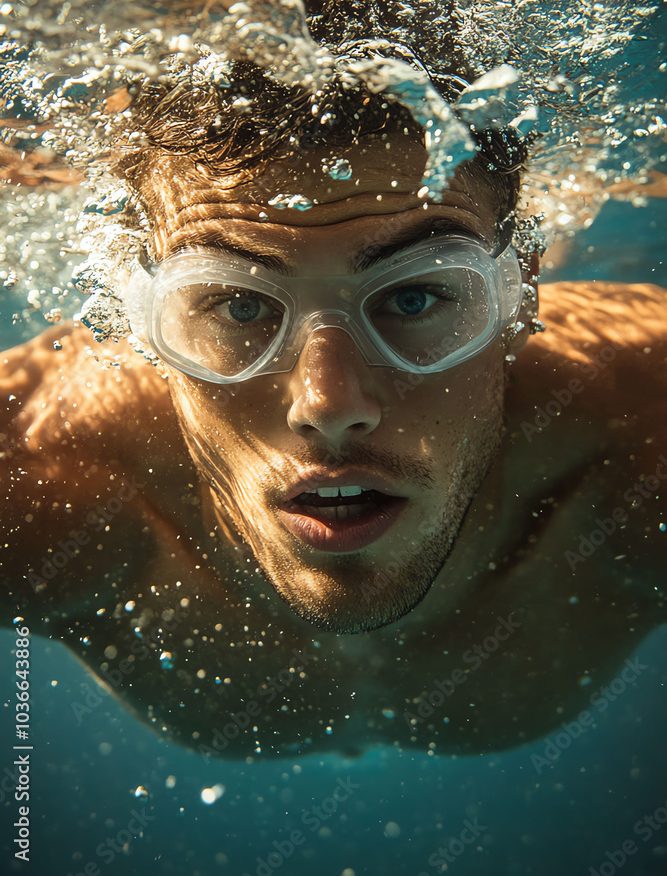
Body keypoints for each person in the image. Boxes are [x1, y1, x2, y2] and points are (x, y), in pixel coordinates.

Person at [1, 57, 666, 762]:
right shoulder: (40, 469)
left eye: (414, 296)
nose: (327, 404)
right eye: (240, 303)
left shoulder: (642, 432)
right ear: (137, 321)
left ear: (516, 294)